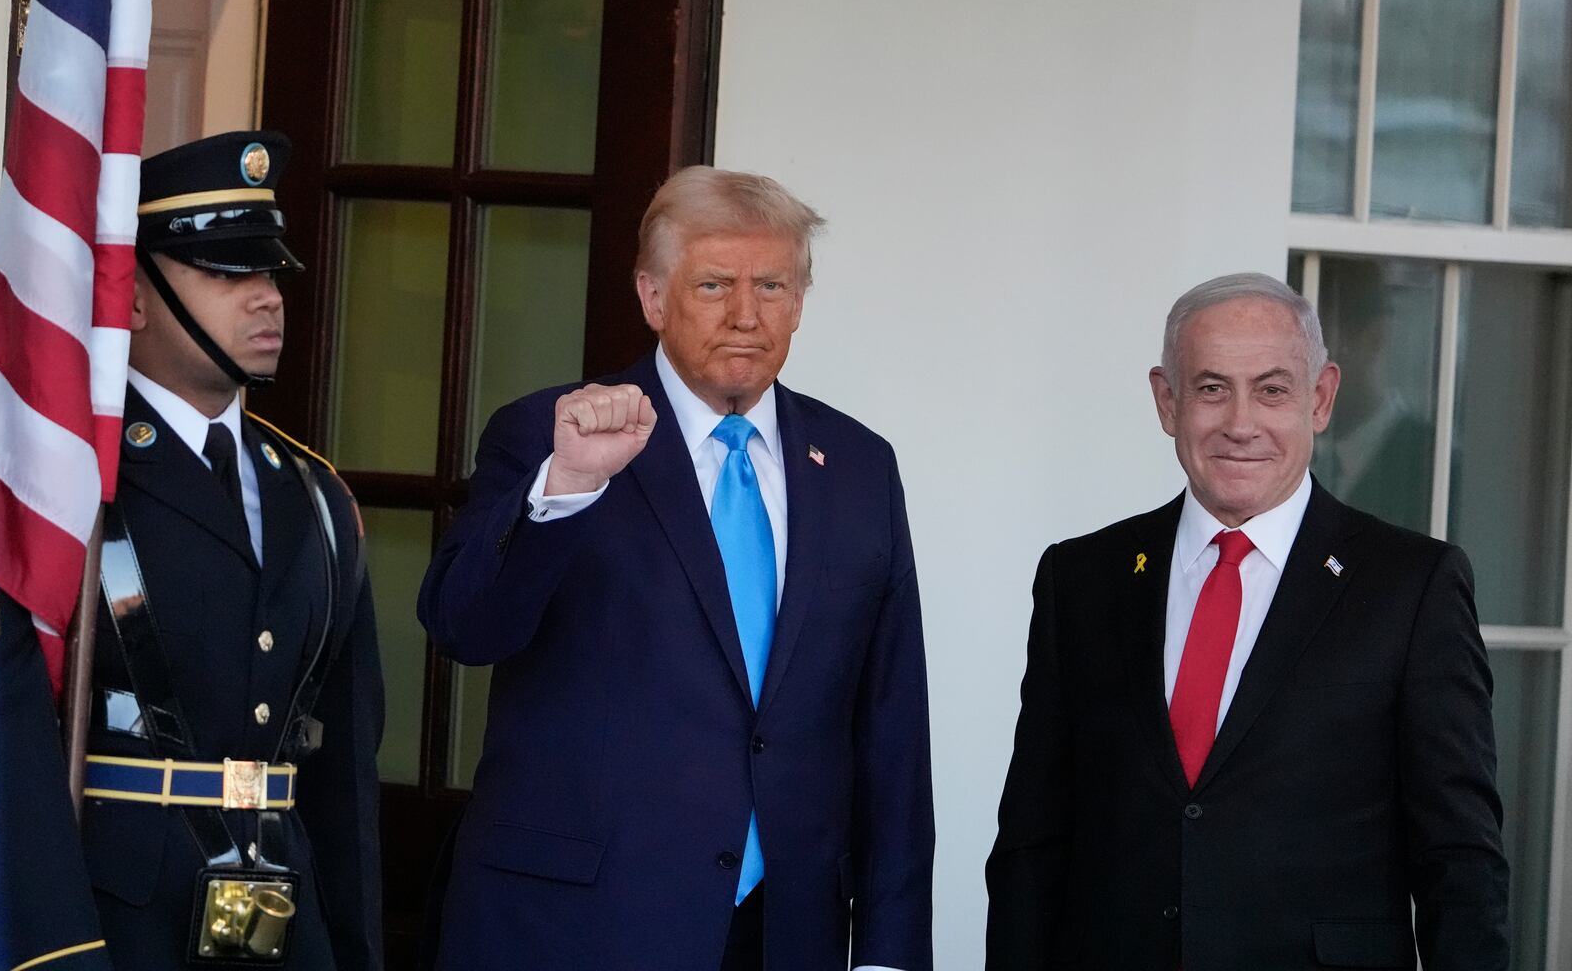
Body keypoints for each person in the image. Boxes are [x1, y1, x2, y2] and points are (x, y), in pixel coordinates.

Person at [419, 166, 934, 971]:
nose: (745, 314)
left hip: (783, 932)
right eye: (714, 284)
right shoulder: (551, 435)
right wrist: (568, 486)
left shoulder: (861, 466)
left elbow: (893, 724)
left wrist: (889, 951)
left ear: (799, 302)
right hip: (577, 927)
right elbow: (464, 627)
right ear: (653, 297)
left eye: (771, 285)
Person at [984, 272, 1508, 970]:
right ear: (1166, 401)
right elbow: (1031, 842)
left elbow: (1460, 859)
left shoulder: (1413, 586)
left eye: (1272, 389)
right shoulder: (1081, 578)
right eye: (1209, 388)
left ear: (1319, 399)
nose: (1240, 422)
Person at [74, 131, 383, 968]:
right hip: (112, 917)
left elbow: (343, 774)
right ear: (133, 299)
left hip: (285, 915)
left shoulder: (316, 494)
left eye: (269, 272)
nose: (268, 298)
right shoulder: (74, 481)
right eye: (226, 273)